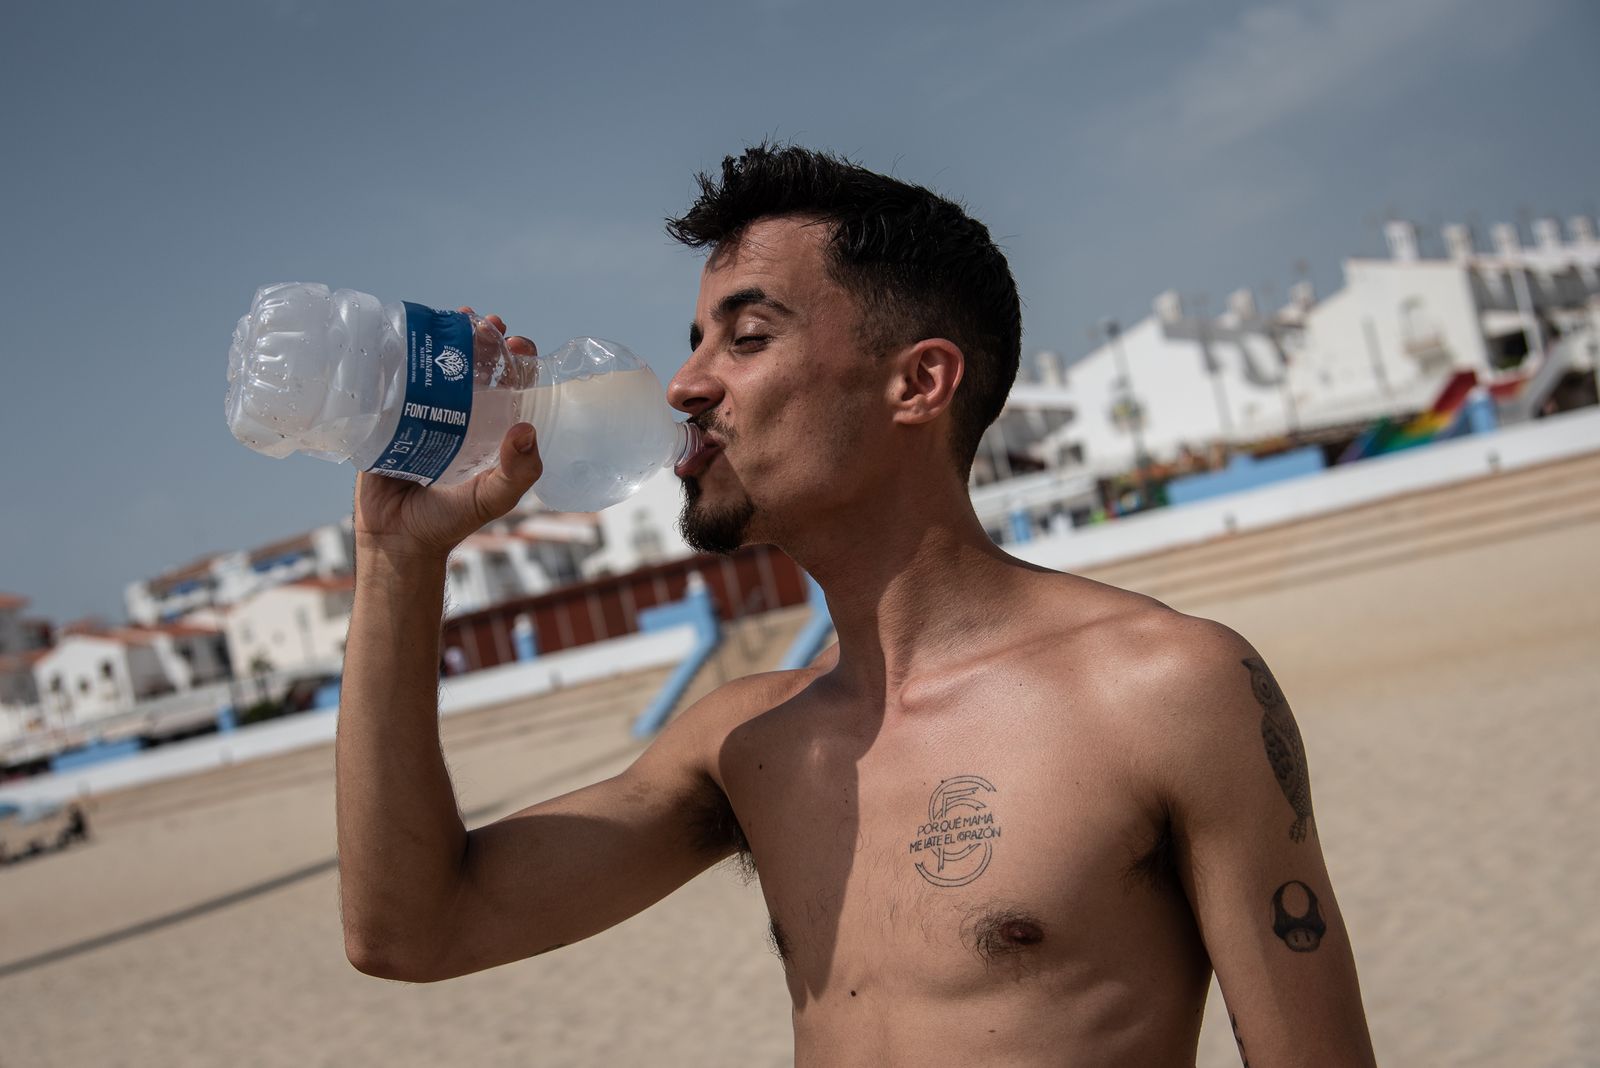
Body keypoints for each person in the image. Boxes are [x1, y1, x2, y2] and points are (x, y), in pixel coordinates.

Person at [337, 144, 1376, 1066]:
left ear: (918, 383)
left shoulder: (1165, 692)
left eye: (746, 338)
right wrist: (398, 562)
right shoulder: (746, 746)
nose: (684, 386)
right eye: (695, 340)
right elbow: (412, 931)